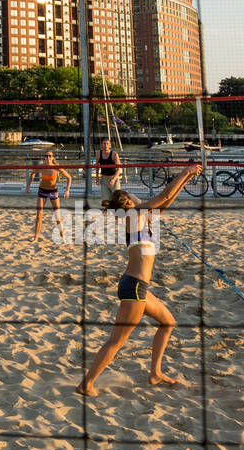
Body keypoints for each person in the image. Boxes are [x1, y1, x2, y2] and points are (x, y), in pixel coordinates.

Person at [77, 166, 202, 396]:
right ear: (129, 203)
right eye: (134, 196)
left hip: (138, 287)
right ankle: (87, 384)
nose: (139, 197)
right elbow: (163, 195)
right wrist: (186, 170)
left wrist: (188, 178)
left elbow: (167, 201)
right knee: (116, 341)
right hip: (134, 287)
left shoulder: (142, 219)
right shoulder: (134, 216)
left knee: (168, 323)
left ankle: (155, 373)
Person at [25, 149, 71, 243]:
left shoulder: (57, 167)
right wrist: (28, 186)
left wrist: (67, 190)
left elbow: (69, 177)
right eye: (46, 156)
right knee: (39, 215)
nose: (48, 157)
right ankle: (36, 238)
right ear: (44, 157)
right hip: (42, 191)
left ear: (52, 157)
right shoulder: (41, 167)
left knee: (57, 216)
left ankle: (63, 238)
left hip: (53, 191)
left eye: (50, 156)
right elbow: (32, 174)